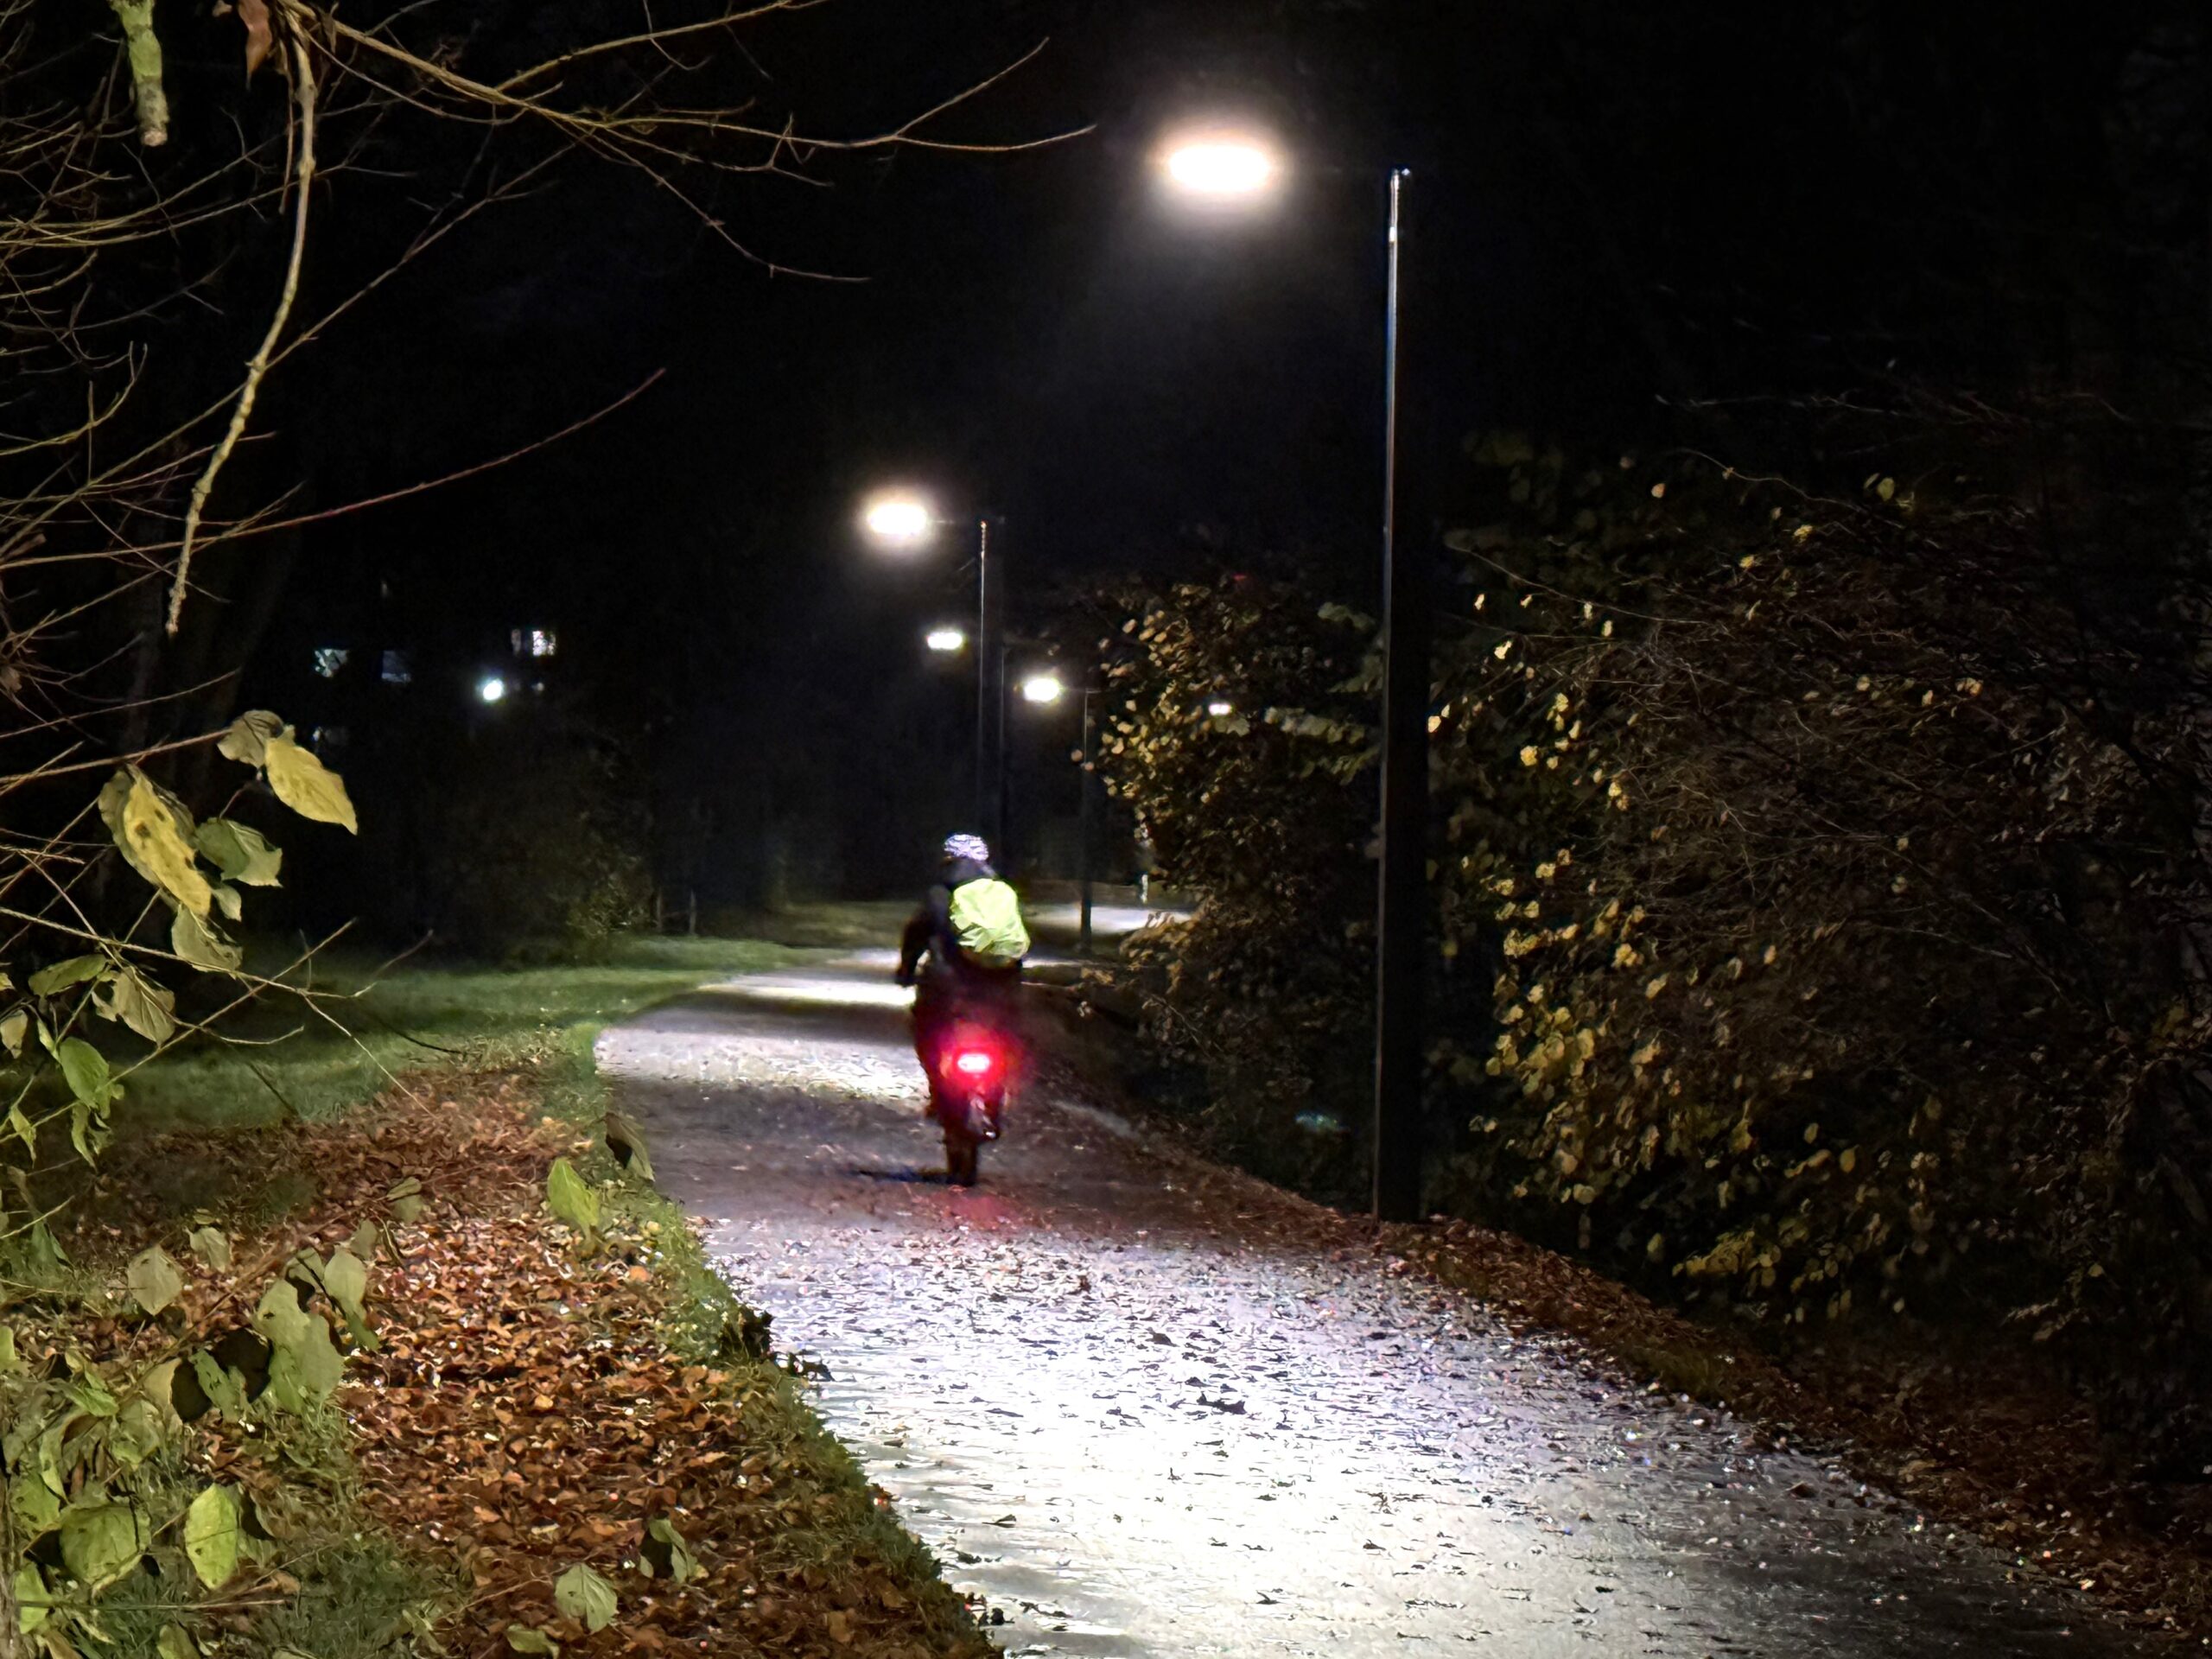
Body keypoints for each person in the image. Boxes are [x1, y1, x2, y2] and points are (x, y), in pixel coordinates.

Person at [896, 834, 1029, 1116]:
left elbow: (916, 934)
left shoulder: (939, 894)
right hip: (1000, 985)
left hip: (949, 987)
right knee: (1006, 1033)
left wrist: (906, 971)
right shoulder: (1002, 893)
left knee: (926, 1028)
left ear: (948, 860)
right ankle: (996, 1095)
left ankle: (937, 1091)